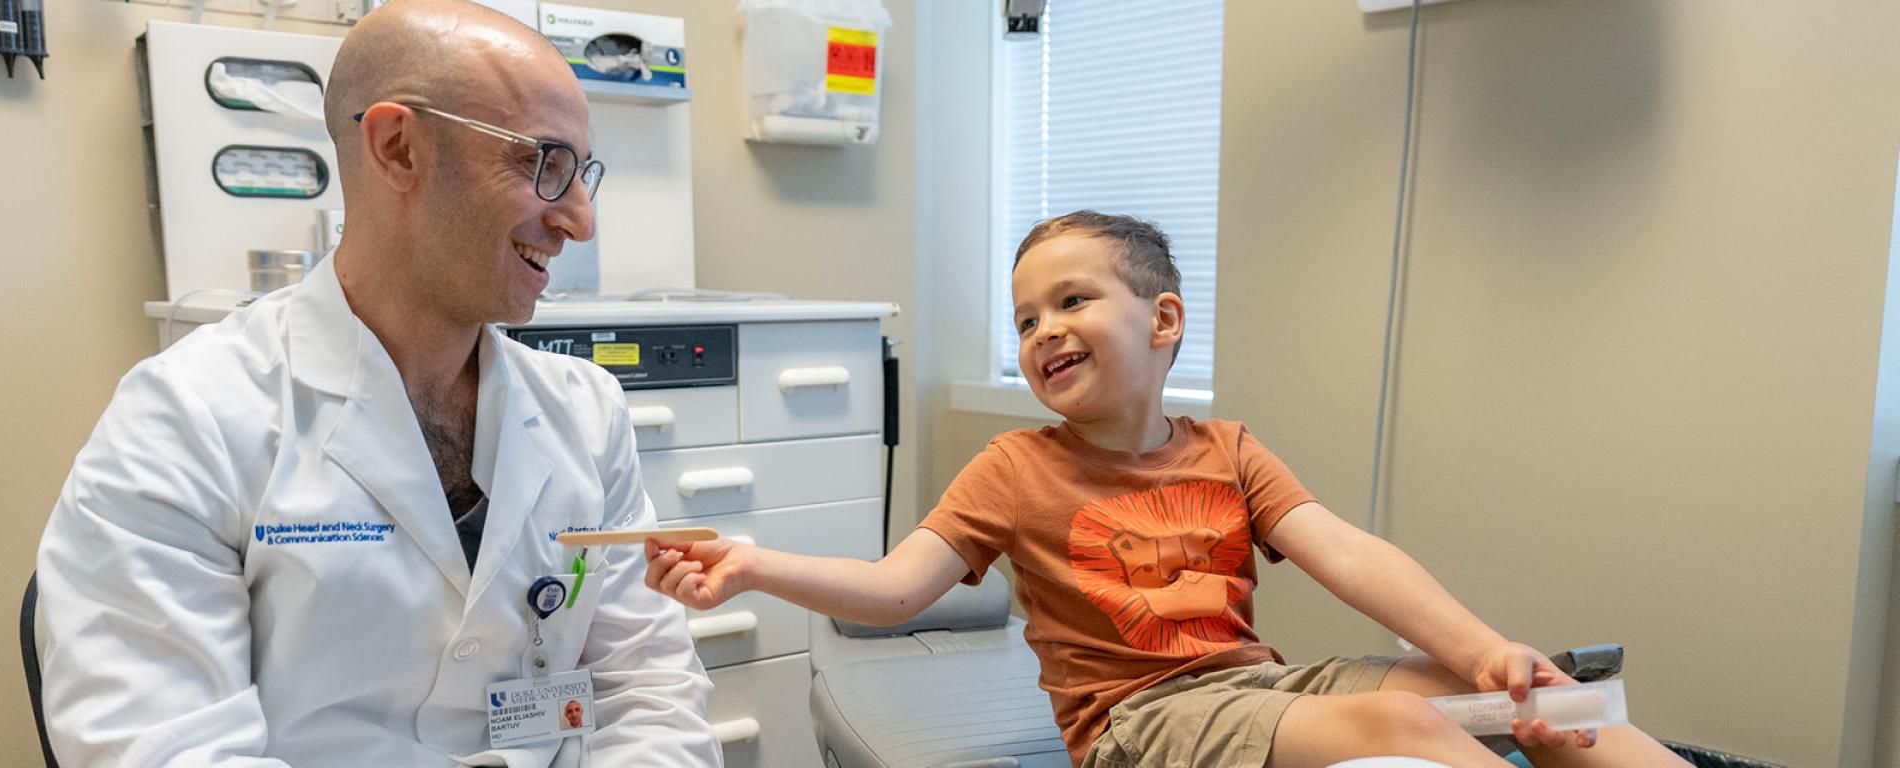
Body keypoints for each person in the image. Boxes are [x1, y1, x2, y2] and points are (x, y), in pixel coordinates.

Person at [646, 211, 1692, 768]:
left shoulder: (1228, 449)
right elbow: (894, 589)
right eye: (1024, 319)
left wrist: (1484, 654)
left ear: (1163, 321)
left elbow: (1353, 556)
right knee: (1419, 733)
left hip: (1263, 687)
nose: (1042, 329)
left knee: (1545, 705)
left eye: (1071, 299)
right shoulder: (1013, 468)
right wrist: (754, 564)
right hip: (1140, 728)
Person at [35, 2, 718, 765]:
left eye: (580, 173)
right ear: (398, 149)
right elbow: (159, 748)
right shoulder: (185, 423)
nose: (581, 221)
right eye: (543, 164)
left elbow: (647, 691)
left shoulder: (585, 415)